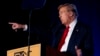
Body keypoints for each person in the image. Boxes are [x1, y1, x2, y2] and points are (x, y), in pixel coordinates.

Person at [9, 3, 94, 56]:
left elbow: (89, 50)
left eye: (61, 13)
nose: (59, 16)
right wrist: (23, 26)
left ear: (71, 13)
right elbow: (41, 31)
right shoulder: (58, 28)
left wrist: (82, 53)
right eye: (59, 13)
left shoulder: (84, 29)